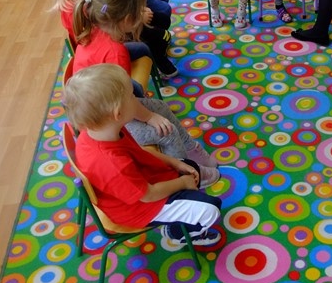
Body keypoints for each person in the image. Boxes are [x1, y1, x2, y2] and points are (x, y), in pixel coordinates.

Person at [72, 0, 219, 177]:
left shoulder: (95, 29)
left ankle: (191, 149)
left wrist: (151, 113)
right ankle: (188, 174)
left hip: (103, 107)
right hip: (104, 123)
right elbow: (124, 100)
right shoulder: (115, 52)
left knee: (161, 107)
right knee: (166, 131)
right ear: (127, 20)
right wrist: (149, 117)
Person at [64, 64, 222, 247]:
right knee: (211, 209)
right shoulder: (110, 162)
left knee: (189, 167)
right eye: (132, 96)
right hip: (139, 208)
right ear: (118, 113)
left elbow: (140, 151)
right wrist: (182, 183)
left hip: (142, 182)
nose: (137, 99)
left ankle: (187, 192)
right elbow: (149, 195)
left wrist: (175, 162)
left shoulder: (101, 131)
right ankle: (176, 232)